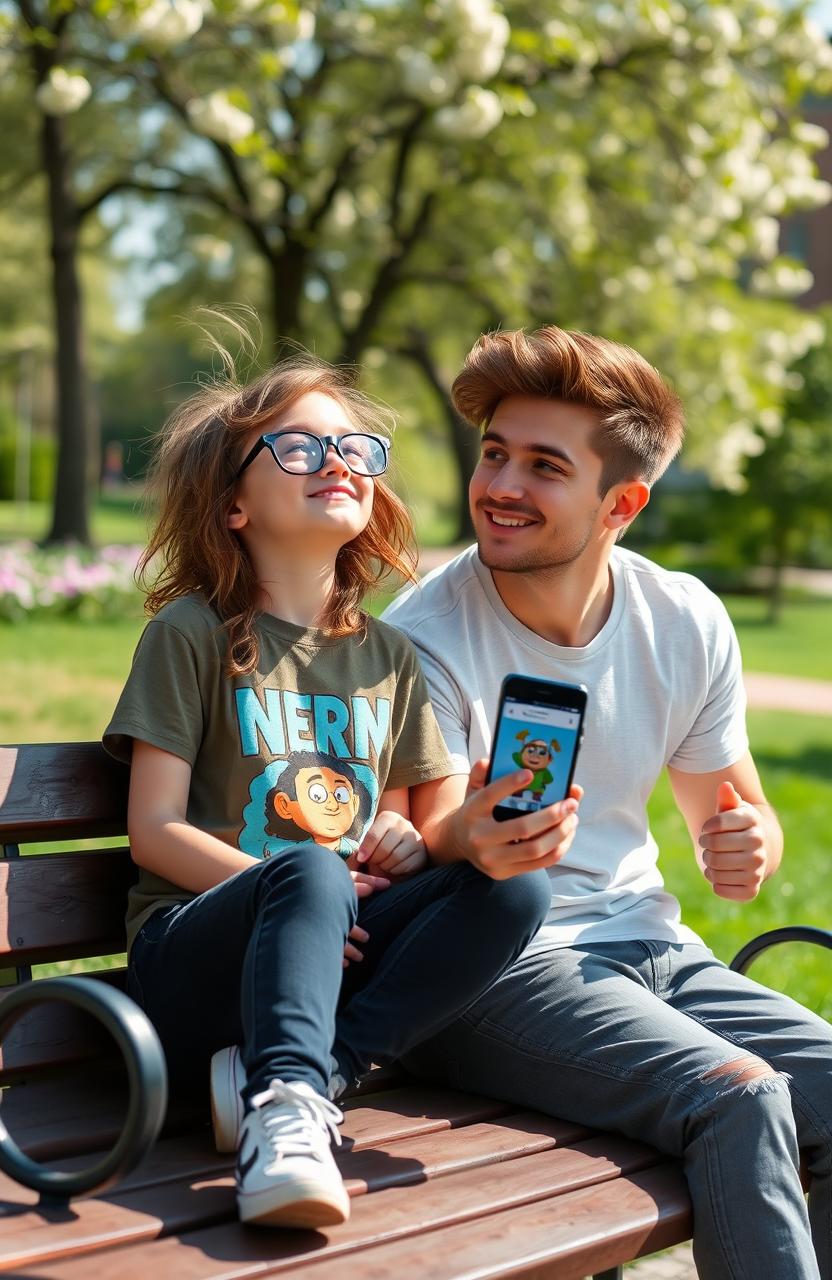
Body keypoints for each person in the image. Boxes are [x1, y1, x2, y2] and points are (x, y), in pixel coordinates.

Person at [383, 325, 832, 1280]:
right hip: (491, 967)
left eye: (544, 466)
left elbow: (734, 806)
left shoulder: (684, 619)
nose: (500, 485)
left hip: (655, 947)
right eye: (494, 453)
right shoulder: (419, 634)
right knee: (740, 1097)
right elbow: (411, 839)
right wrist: (474, 835)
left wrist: (750, 841)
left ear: (621, 501)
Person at [102, 355, 551, 1231]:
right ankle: (286, 1126)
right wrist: (294, 894)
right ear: (234, 505)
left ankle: (307, 1080)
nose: (338, 461)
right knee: (308, 870)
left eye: (354, 447)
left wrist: (407, 836)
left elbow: (436, 826)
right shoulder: (192, 633)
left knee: (514, 890)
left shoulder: (388, 657)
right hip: (193, 961)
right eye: (301, 448)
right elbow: (154, 832)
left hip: (331, 954)